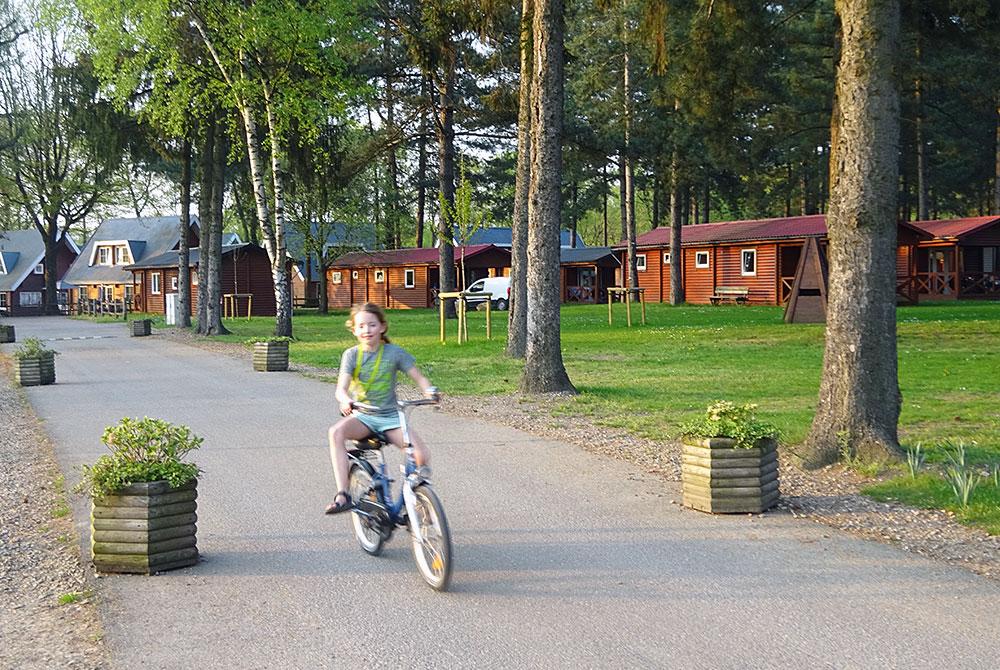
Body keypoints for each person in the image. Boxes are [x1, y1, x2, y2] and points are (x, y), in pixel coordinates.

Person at [326, 303, 438, 514]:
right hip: (364, 417)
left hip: (391, 418)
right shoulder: (351, 355)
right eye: (361, 326)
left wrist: (429, 390)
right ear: (354, 330)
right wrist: (345, 400)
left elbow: (418, 377)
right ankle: (343, 494)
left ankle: (418, 499)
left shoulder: (394, 353)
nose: (366, 330)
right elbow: (341, 388)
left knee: (421, 454)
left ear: (382, 327)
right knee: (336, 433)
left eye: (372, 325)